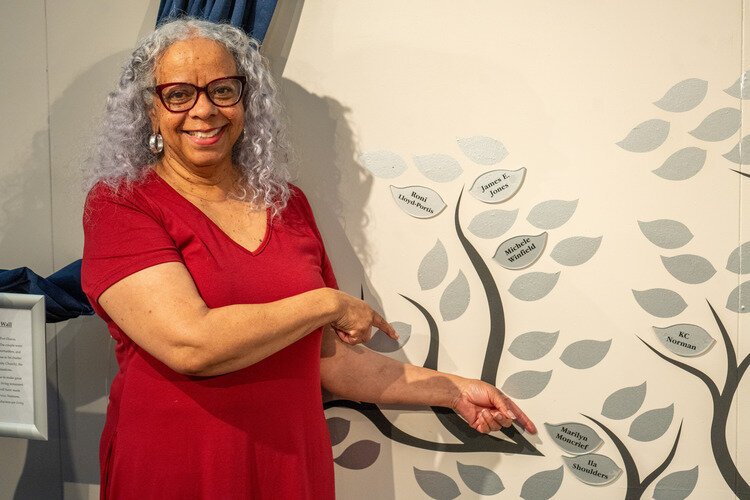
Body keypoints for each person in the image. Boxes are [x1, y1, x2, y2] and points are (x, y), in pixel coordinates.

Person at [81, 18, 537, 499]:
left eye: (223, 90)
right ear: (149, 110)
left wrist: (454, 390)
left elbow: (330, 362)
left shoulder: (286, 203)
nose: (204, 110)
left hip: (289, 462)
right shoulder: (121, 204)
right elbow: (192, 347)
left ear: (247, 100)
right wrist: (327, 303)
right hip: (179, 464)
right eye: (179, 94)